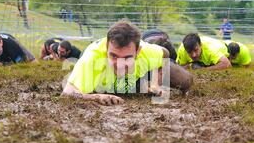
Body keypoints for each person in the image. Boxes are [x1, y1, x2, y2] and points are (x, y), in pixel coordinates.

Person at [62, 21, 192, 105]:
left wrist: (156, 79)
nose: (119, 64)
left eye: (127, 58)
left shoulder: (147, 51)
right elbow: (68, 93)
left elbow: (165, 53)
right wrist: (96, 97)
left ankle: (144, 87)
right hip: (105, 82)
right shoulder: (92, 58)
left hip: (133, 79)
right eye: (113, 56)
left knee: (185, 80)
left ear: (138, 51)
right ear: (106, 47)